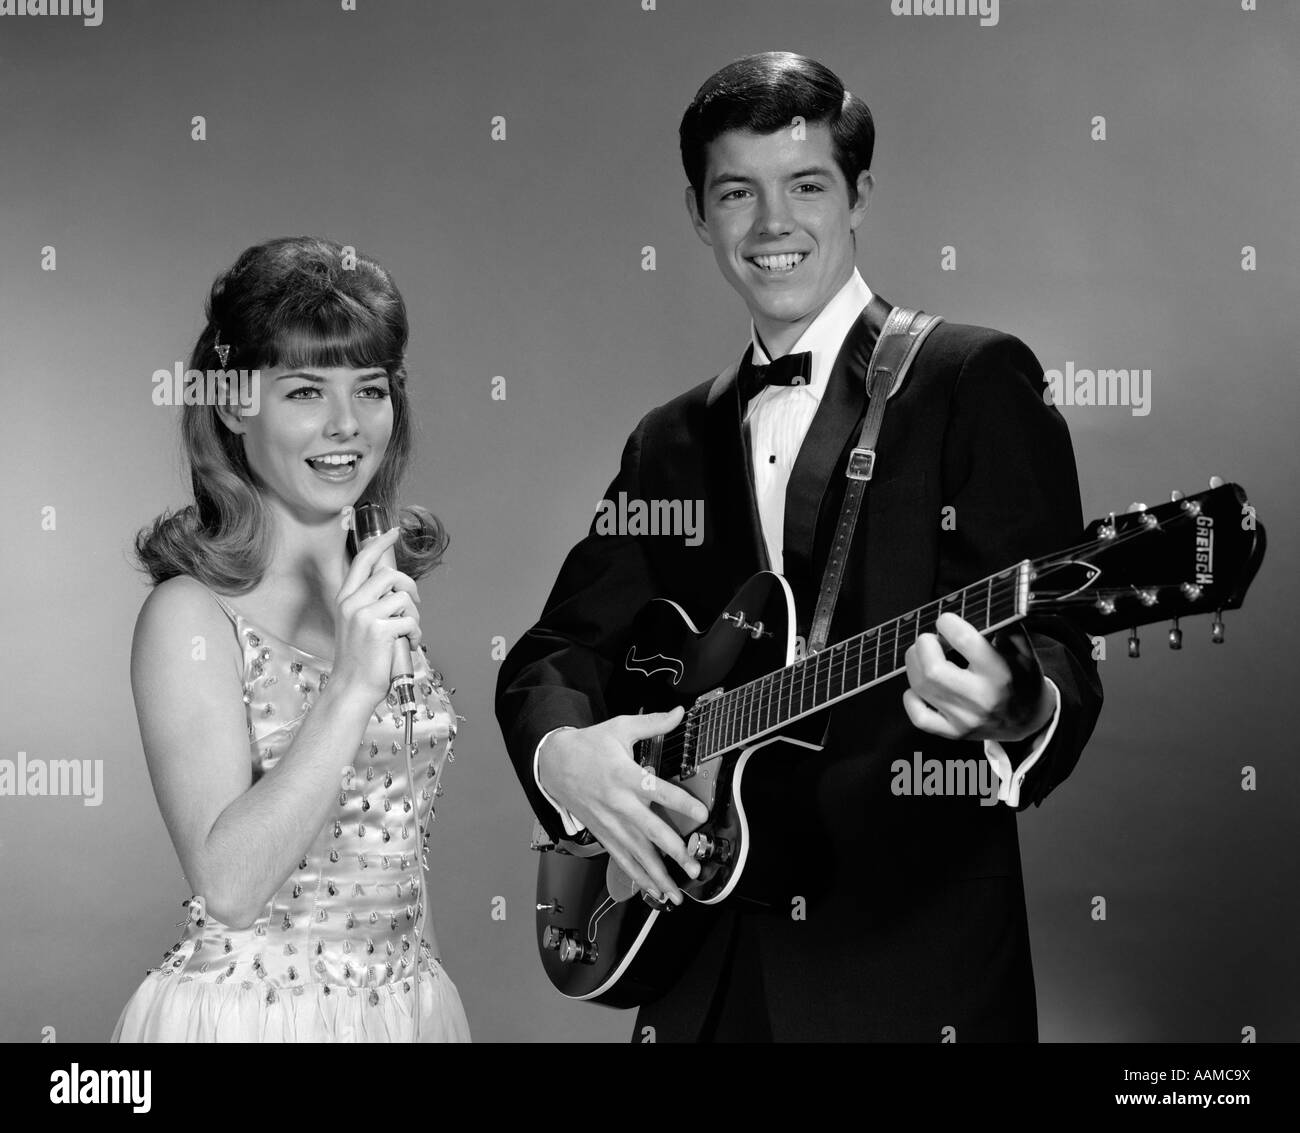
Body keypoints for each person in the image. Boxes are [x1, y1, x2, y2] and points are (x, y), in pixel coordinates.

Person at [496, 52, 1103, 1042]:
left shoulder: (975, 377)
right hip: (695, 971)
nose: (772, 224)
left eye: (806, 185)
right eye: (737, 192)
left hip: (907, 982)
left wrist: (1017, 701)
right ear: (698, 213)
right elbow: (556, 651)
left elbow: (1061, 652)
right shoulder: (667, 441)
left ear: (858, 194)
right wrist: (564, 756)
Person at [114, 236, 471, 1042]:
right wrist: (349, 684)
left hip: (407, 1007)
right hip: (256, 1019)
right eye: (306, 390)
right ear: (237, 402)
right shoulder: (190, 614)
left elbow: (396, 853)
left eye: (370, 390)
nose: (347, 424)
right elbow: (230, 886)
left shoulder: (378, 590)